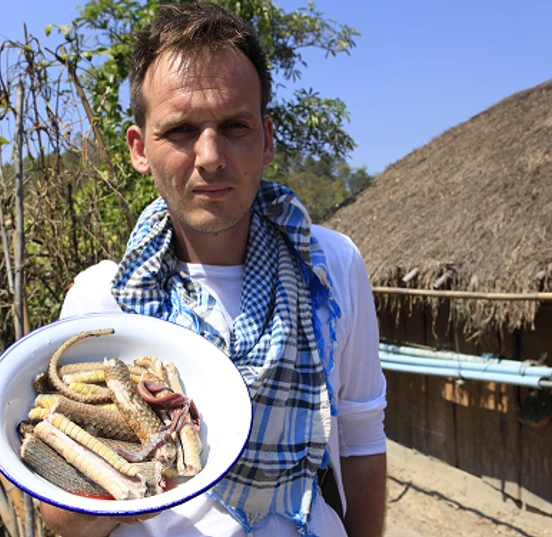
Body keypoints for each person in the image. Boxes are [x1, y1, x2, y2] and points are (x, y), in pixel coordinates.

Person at [40, 3, 387, 537]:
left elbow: (361, 440)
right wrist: (147, 470)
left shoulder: (329, 269)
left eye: (234, 126)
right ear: (139, 149)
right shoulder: (103, 301)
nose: (210, 156)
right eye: (180, 130)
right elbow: (64, 517)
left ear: (267, 138)